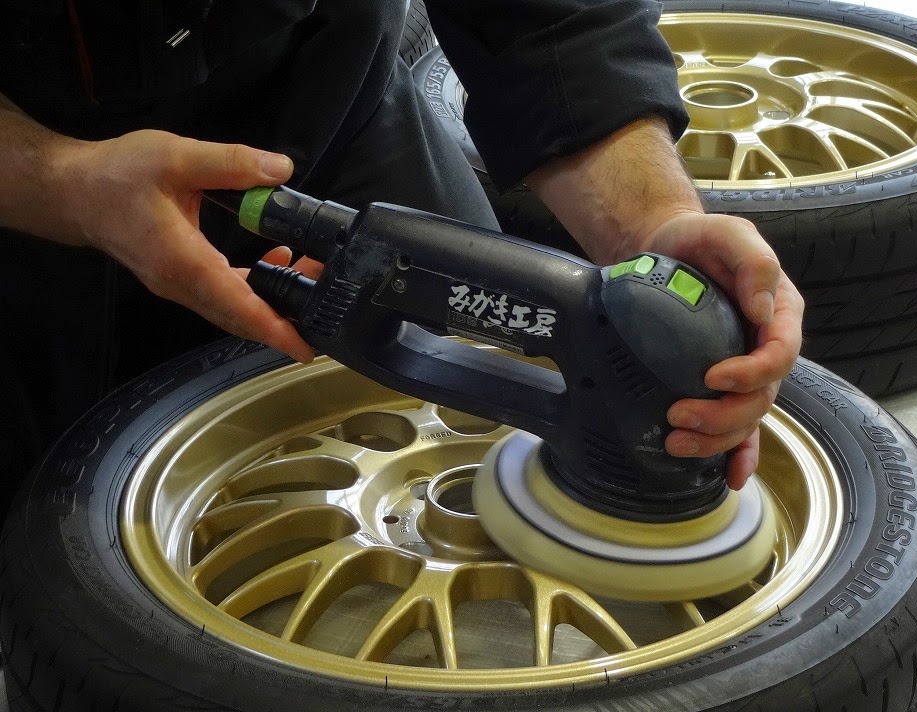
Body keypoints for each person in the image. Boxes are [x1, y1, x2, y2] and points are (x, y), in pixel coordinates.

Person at [0, 0, 802, 514]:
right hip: (23, 195)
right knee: (50, 555)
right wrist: (56, 179)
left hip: (328, 113)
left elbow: (551, 22)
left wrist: (653, 227)